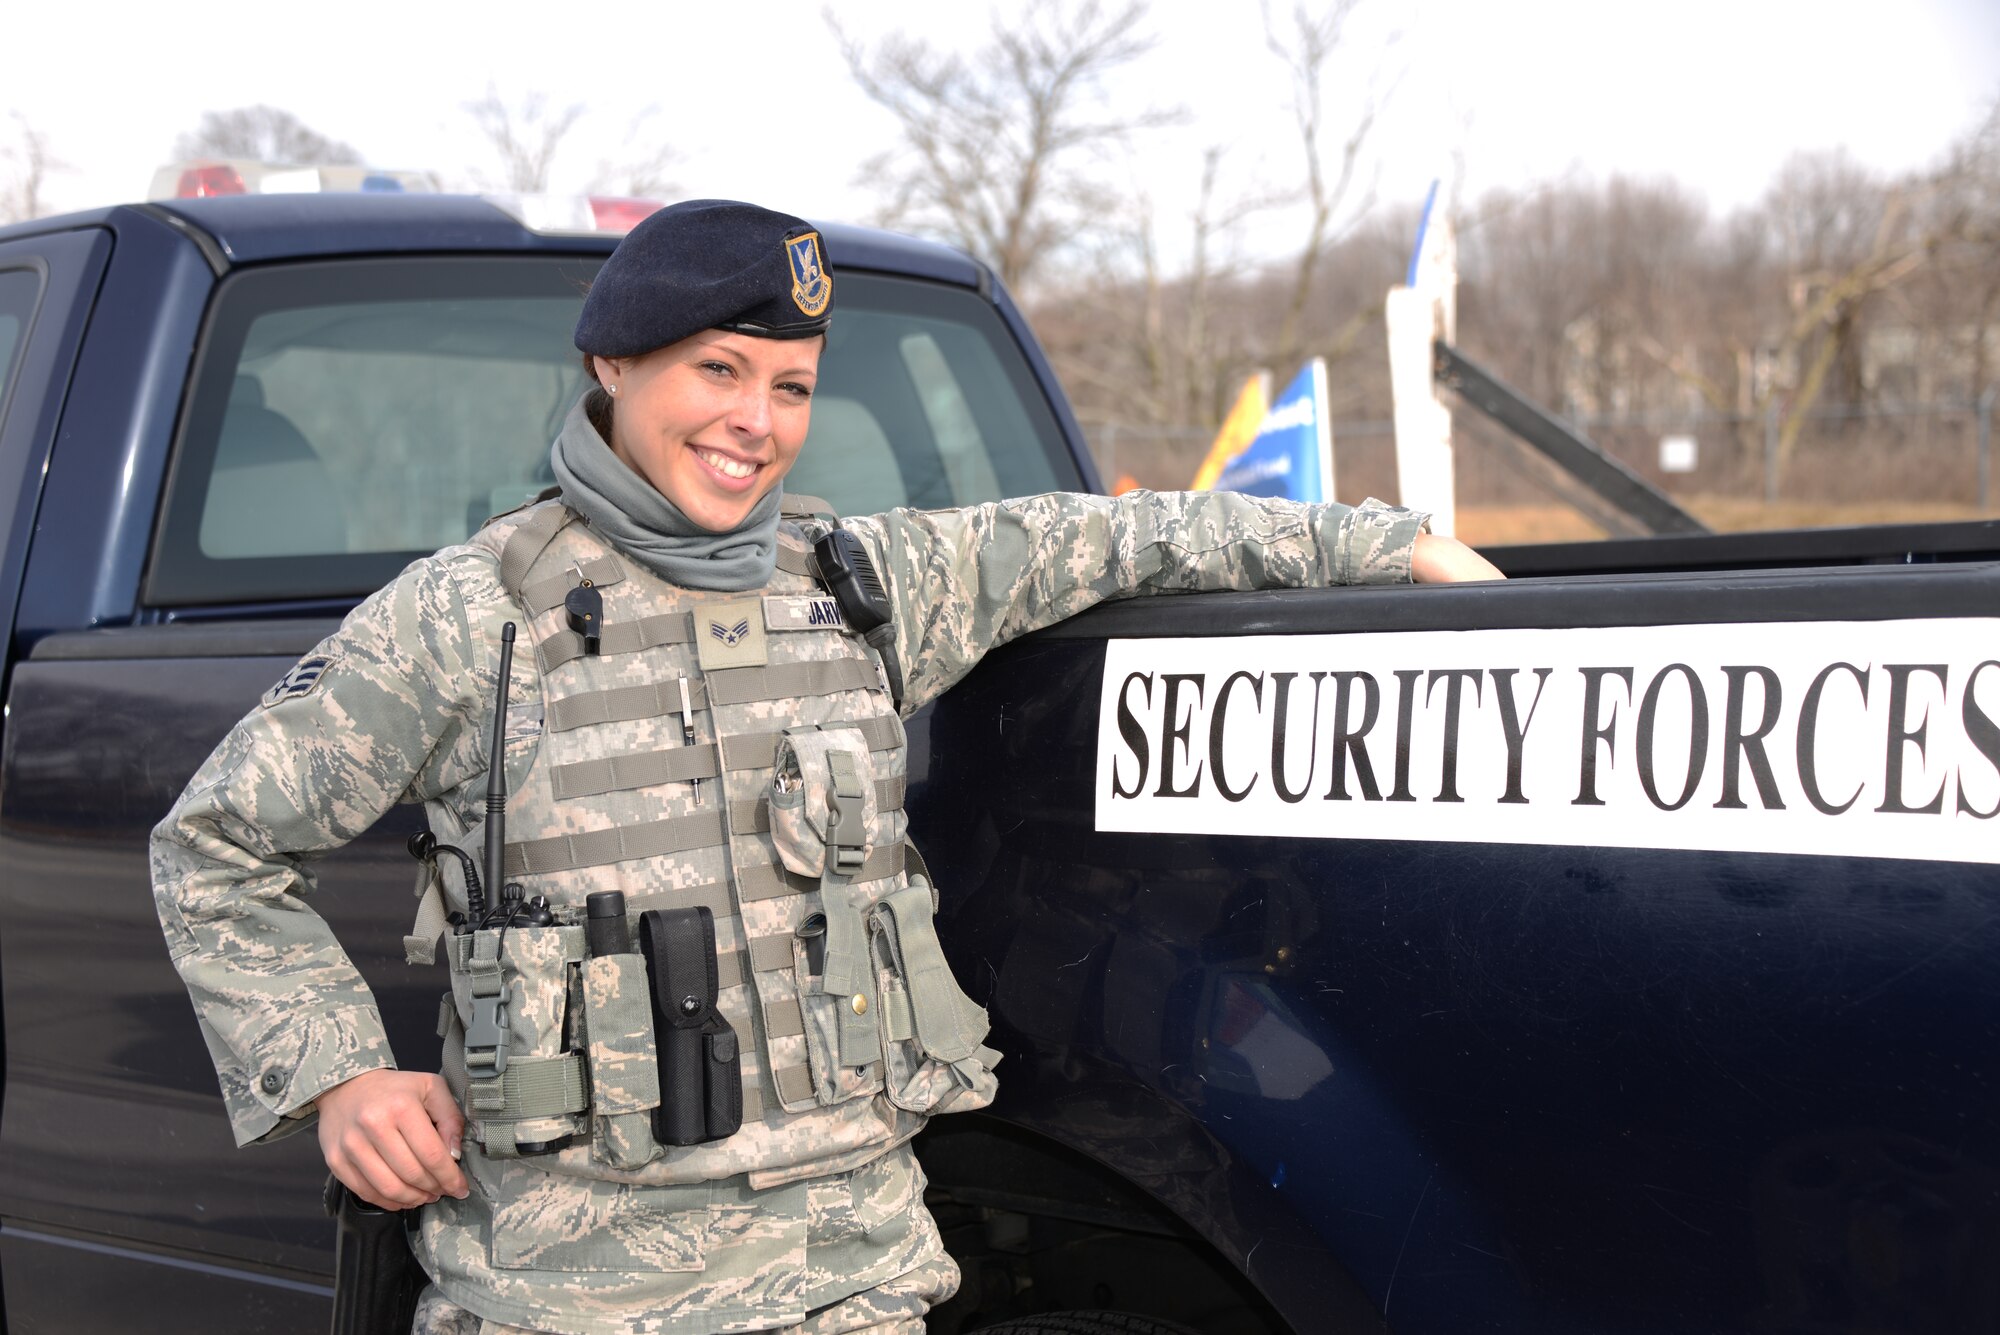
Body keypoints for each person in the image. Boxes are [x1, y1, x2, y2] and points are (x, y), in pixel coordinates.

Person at [152, 198, 1502, 1335]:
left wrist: (1385, 546)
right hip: (569, 1300)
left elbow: (1099, 541)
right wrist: (339, 1075)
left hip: (851, 1287)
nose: (758, 419)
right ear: (613, 368)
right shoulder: (467, 619)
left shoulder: (856, 583)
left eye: (790, 386)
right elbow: (217, 848)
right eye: (717, 372)